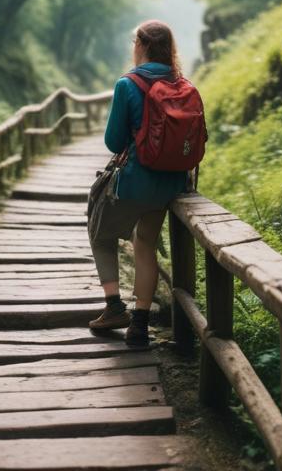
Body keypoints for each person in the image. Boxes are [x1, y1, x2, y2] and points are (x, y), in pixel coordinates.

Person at [87, 19, 193, 348]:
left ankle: (115, 306)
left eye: (135, 41)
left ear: (142, 46)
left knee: (99, 232)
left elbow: (113, 140)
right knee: (144, 241)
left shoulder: (127, 84)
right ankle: (140, 325)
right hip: (171, 183)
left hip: (135, 181)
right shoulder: (183, 84)